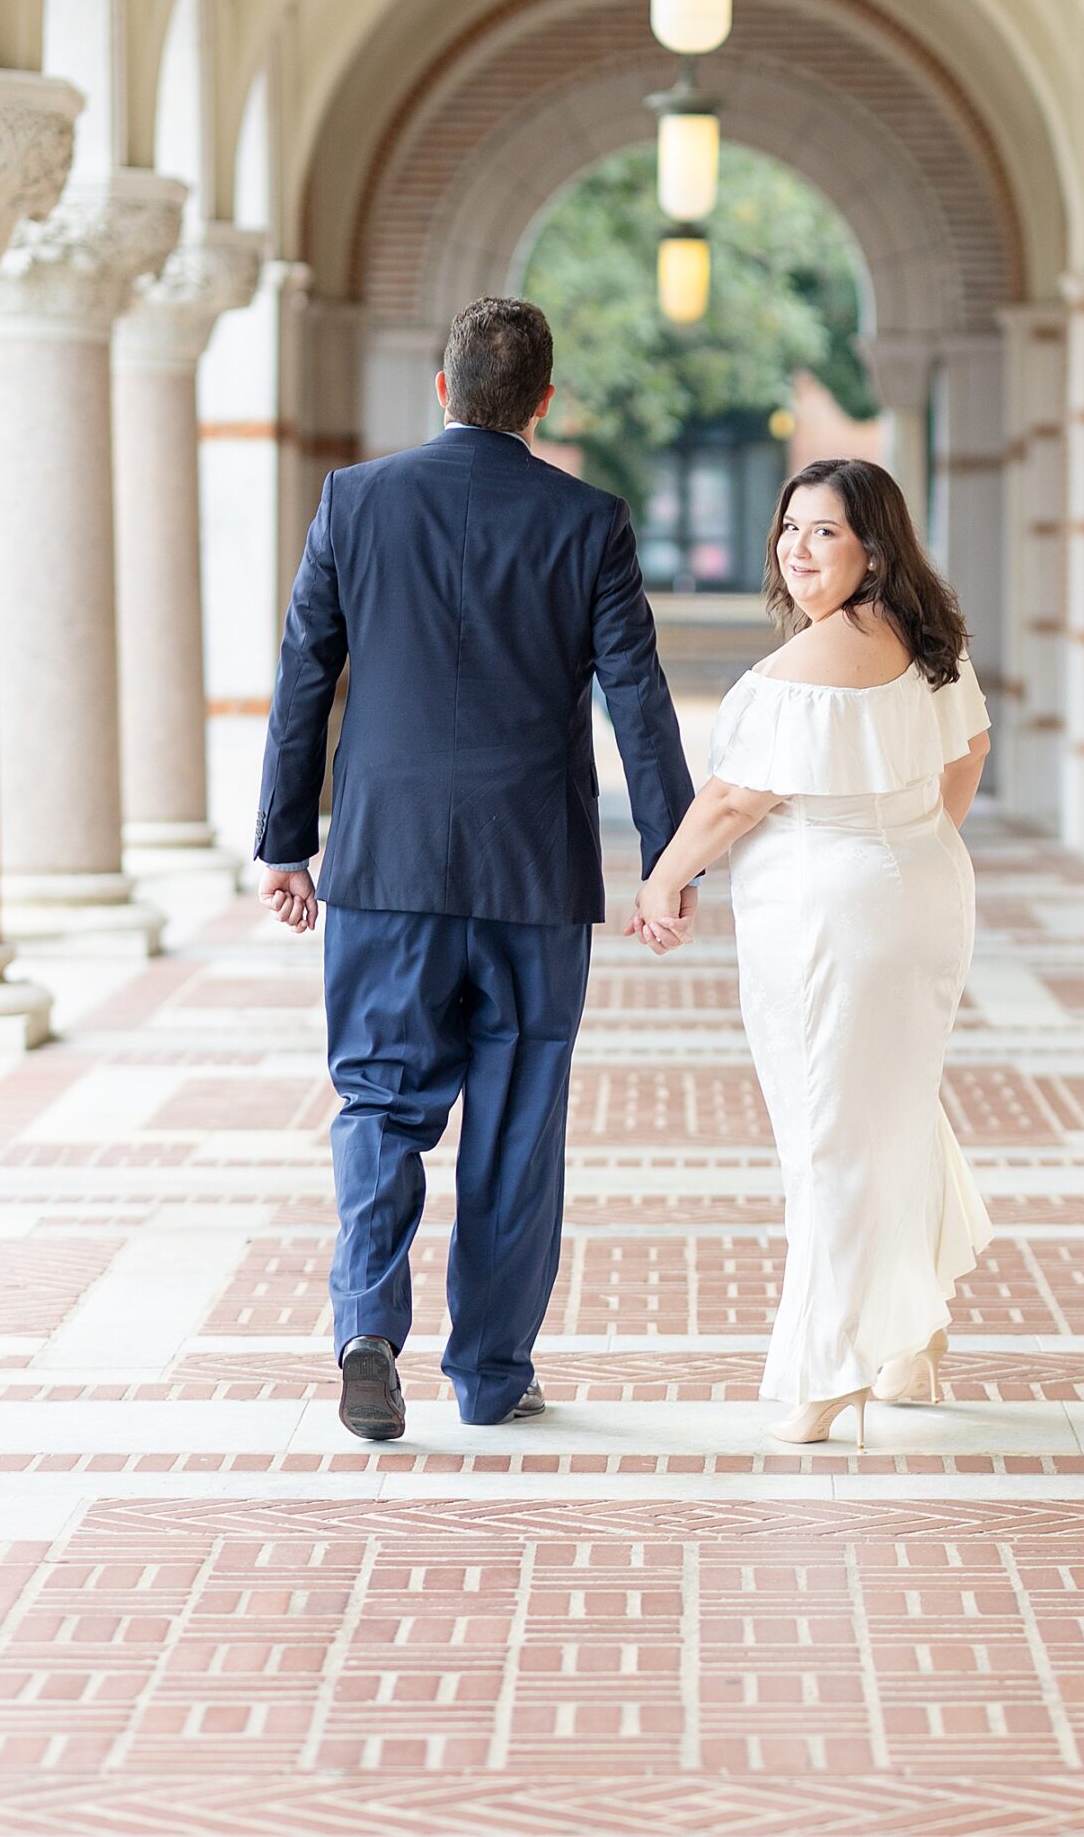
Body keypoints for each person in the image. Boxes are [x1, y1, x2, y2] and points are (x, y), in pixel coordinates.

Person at [255, 297, 696, 1443]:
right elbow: (636, 699)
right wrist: (671, 856)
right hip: (533, 872)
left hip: (385, 863)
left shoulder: (356, 500)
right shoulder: (587, 519)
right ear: (544, 404)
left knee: (379, 1101)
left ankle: (365, 1324)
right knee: (516, 1119)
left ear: (443, 389)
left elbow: (307, 673)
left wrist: (283, 840)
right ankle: (492, 1374)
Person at [633, 458, 992, 1447]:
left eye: (825, 531)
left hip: (828, 920)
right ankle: (911, 1343)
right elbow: (968, 752)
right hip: (919, 894)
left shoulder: (796, 672)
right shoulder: (933, 641)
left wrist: (664, 878)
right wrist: (916, 842)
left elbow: (738, 799)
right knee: (897, 1110)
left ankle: (830, 1367)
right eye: (791, 528)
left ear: (873, 546)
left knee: (829, 1132)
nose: (798, 548)